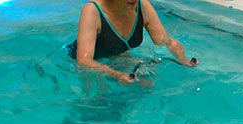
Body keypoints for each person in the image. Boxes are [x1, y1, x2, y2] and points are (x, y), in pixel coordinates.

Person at [68, 0, 196, 84]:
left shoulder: (142, 6)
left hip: (117, 55)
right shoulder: (92, 10)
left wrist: (182, 59)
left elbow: (165, 40)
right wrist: (115, 74)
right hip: (79, 65)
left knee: (147, 85)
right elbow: (84, 61)